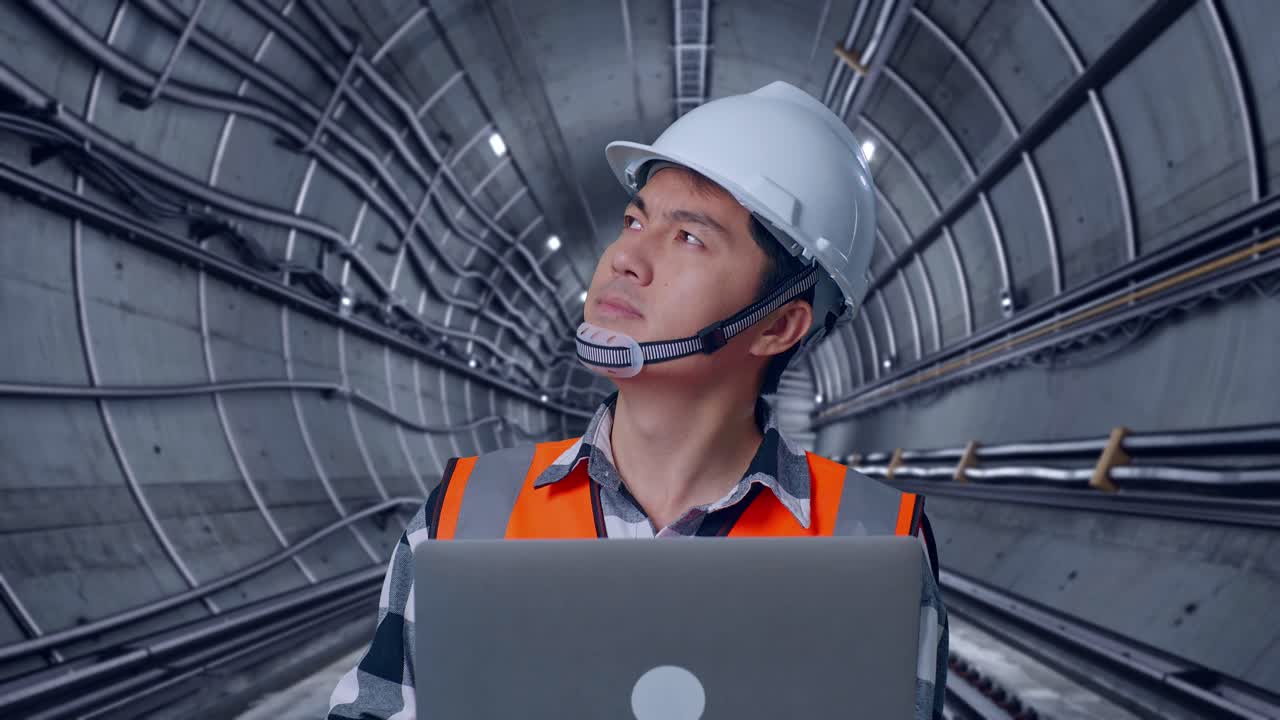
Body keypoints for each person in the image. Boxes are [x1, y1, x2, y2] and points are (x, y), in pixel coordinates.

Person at [328, 81, 948, 719]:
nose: (626, 257)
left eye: (688, 238)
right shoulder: (466, 513)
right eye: (634, 220)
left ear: (778, 326)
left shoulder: (878, 540)